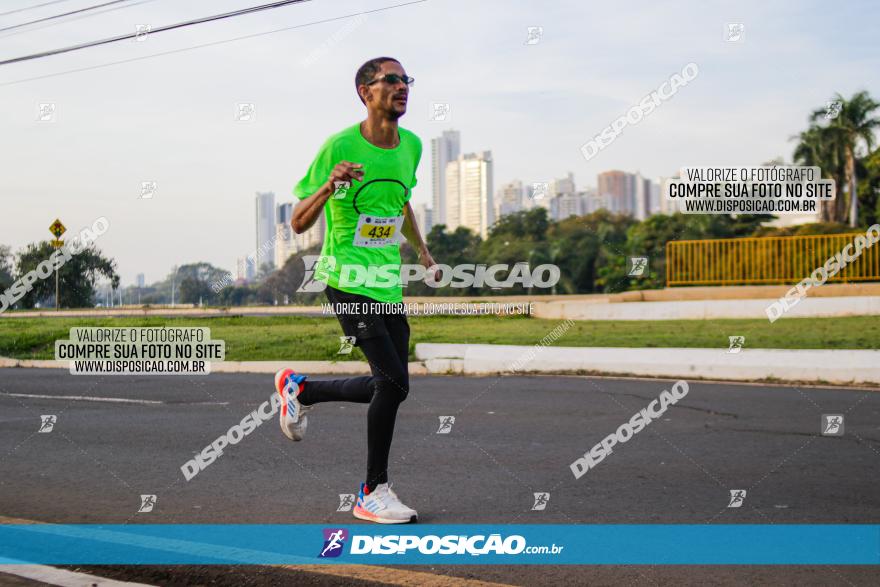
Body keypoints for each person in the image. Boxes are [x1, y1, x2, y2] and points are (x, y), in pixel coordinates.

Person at [275, 57, 436, 524]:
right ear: (365, 92)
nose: (402, 86)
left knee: (393, 386)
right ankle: (371, 491)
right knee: (394, 382)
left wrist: (423, 251)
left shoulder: (412, 146)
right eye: (391, 80)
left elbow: (401, 200)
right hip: (346, 280)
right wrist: (329, 185)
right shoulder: (339, 145)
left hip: (387, 282)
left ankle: (301, 389)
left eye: (407, 79)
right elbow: (298, 220)